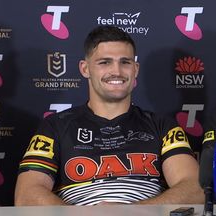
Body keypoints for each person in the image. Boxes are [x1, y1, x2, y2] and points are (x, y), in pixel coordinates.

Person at [14, 25, 204, 206]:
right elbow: (27, 195)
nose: (116, 71)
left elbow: (194, 189)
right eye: (105, 62)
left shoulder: (163, 126)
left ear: (135, 69)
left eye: (125, 62)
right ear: (85, 68)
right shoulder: (55, 126)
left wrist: (133, 211)